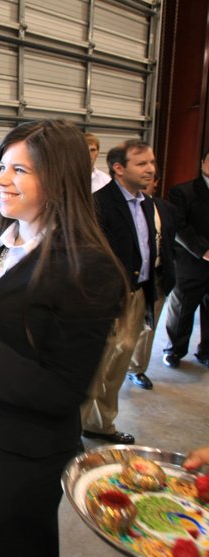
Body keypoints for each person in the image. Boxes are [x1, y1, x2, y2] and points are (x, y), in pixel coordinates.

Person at [0, 119, 125, 557]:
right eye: (4, 167)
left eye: (19, 171)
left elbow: (61, 392)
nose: (2, 181)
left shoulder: (89, 268)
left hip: (28, 450)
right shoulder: (4, 239)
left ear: (59, 178)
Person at [82, 140, 166, 444]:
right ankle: (72, 430)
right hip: (105, 300)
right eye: (142, 164)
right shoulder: (98, 203)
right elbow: (91, 256)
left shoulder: (145, 202)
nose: (151, 170)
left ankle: (101, 424)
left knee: (117, 367)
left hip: (136, 294)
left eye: (152, 163)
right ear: (119, 168)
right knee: (93, 368)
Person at [127, 175, 176, 386]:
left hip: (156, 274)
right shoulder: (120, 207)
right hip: (129, 277)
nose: (145, 182)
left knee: (149, 325)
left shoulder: (164, 208)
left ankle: (137, 369)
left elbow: (170, 238)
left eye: (150, 179)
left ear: (156, 183)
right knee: (122, 331)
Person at [162, 149, 209, 369]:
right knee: (182, 307)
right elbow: (179, 227)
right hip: (191, 260)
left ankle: (206, 351)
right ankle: (174, 350)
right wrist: (204, 251)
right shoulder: (183, 191)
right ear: (202, 163)